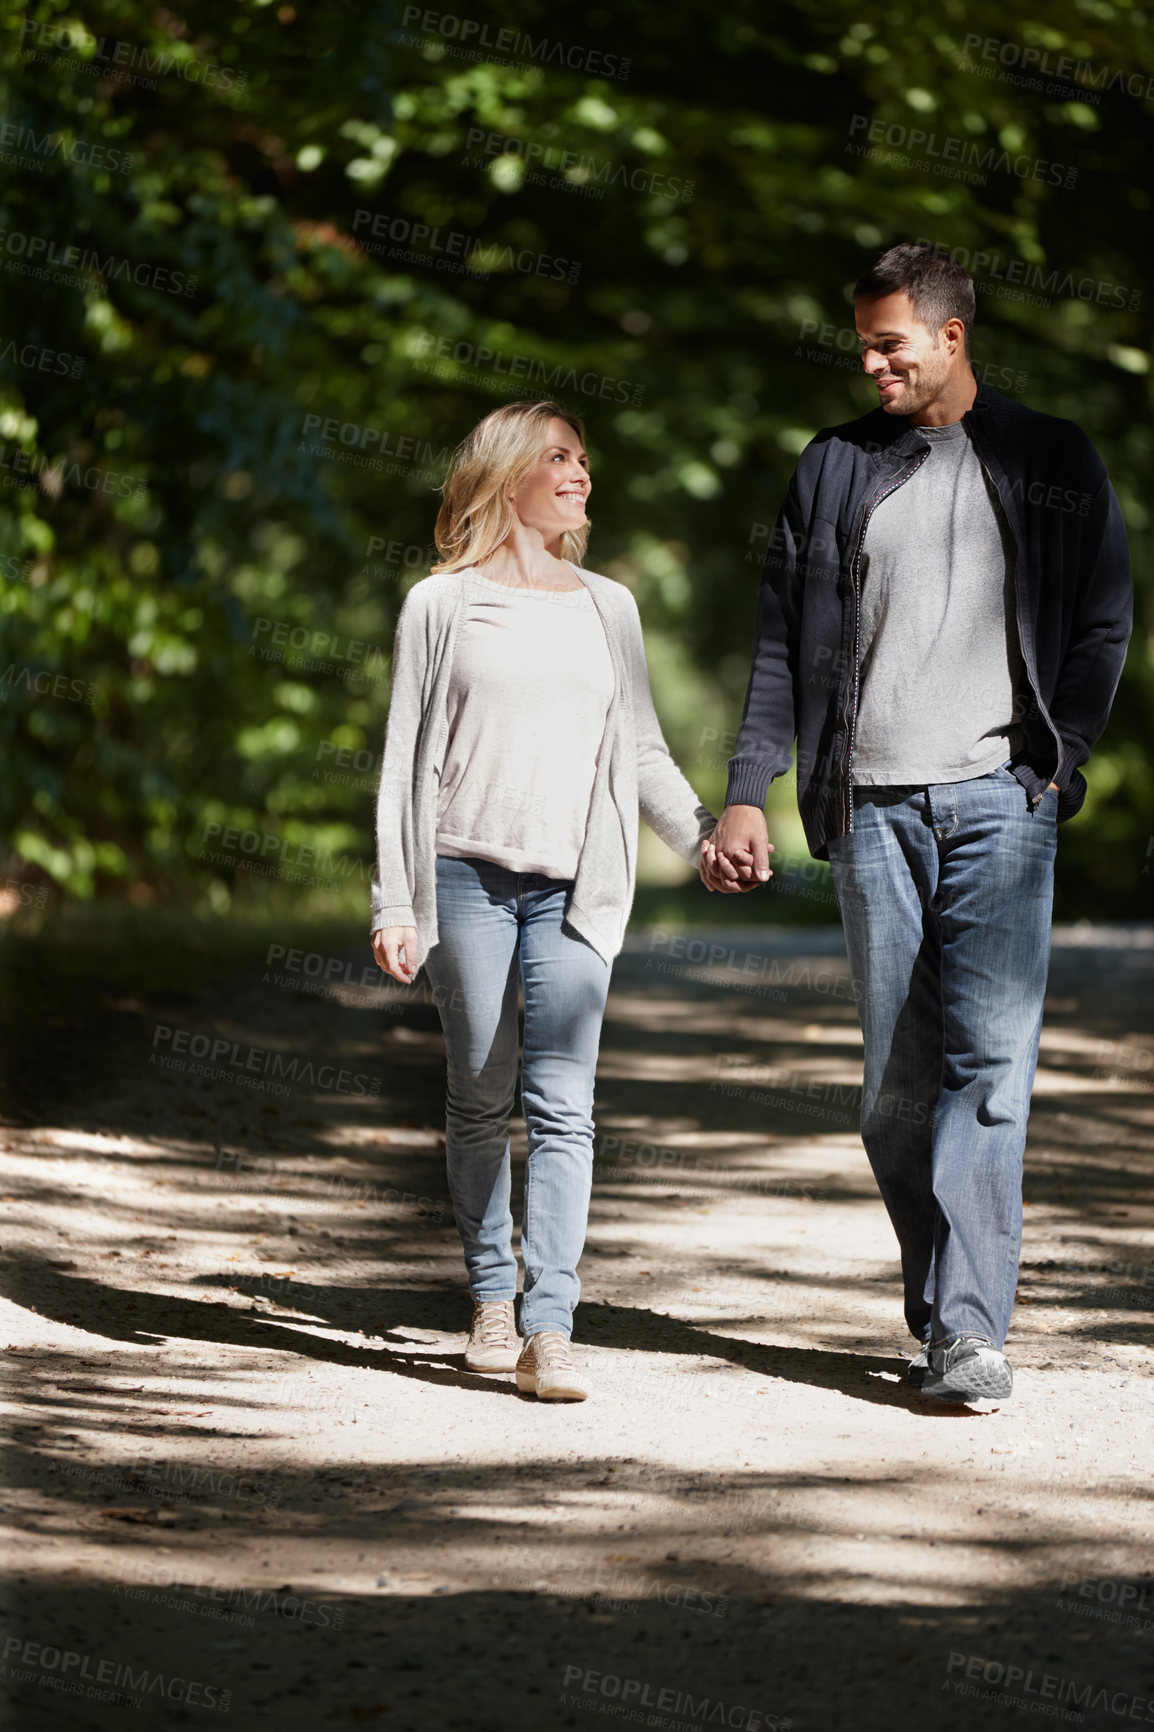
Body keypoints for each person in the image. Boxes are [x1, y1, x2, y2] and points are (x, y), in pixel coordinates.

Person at [704, 242, 1132, 1403]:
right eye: (861, 341)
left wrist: (1061, 764)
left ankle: (967, 1329)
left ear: (950, 336)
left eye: (886, 341)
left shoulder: (1050, 458)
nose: (869, 361)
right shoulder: (834, 467)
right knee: (893, 1090)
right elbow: (784, 643)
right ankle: (939, 1294)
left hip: (1003, 801)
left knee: (988, 1068)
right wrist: (748, 784)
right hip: (872, 805)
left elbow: (1100, 623)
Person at [370, 400, 717, 1401]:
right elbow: (403, 765)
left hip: (576, 887)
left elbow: (641, 747)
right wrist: (396, 901)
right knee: (480, 1090)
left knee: (563, 1106)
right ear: (507, 473)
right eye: (558, 458)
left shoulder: (608, 605)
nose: (580, 475)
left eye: (582, 461)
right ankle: (488, 1297)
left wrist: (697, 837)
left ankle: (548, 1322)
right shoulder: (439, 606)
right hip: (463, 878)